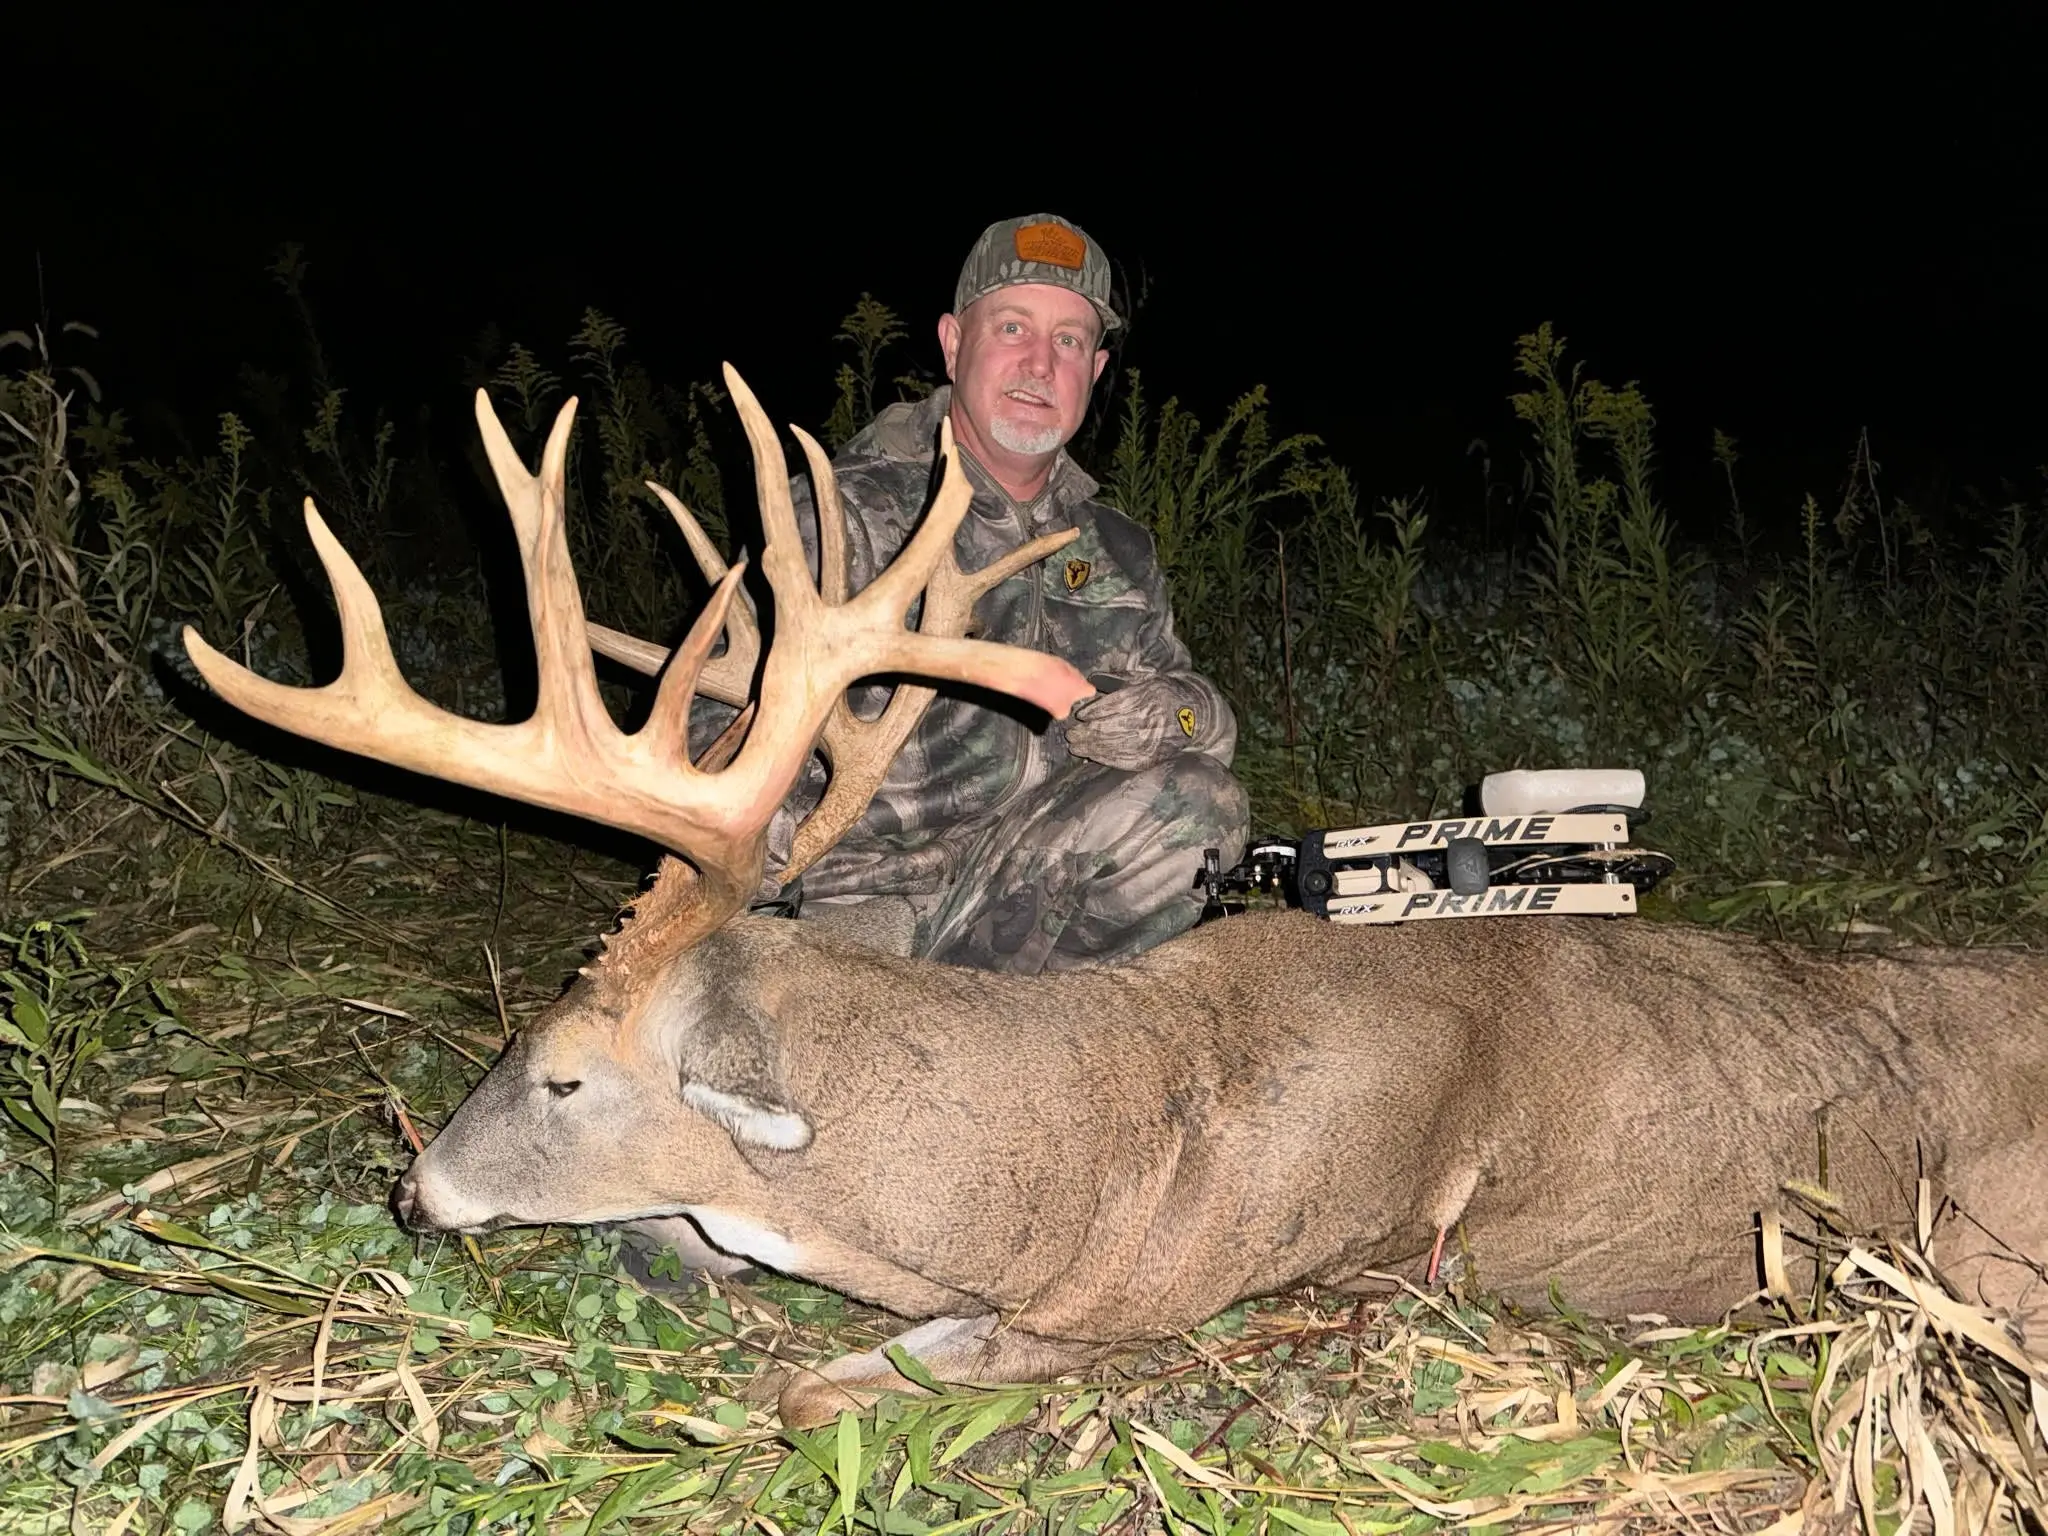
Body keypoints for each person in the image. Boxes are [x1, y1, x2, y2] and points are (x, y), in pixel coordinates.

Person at [725, 213, 1249, 974]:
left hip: (1019, 890)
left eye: (1069, 341)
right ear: (953, 343)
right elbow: (720, 737)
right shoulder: (843, 518)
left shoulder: (1116, 546)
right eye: (1012, 328)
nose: (1041, 364)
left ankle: (1021, 1047)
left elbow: (1197, 715)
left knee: (1200, 805)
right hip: (853, 914)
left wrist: (1185, 709)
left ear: (1095, 372)